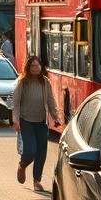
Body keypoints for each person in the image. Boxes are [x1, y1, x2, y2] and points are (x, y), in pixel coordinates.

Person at [12, 55, 60, 192]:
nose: (35, 68)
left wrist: (55, 118)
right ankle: (22, 165)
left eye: (37, 65)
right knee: (30, 151)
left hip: (41, 122)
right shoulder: (22, 82)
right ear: (28, 67)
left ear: (41, 67)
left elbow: (51, 101)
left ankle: (36, 181)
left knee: (41, 153)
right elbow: (15, 103)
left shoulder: (45, 82)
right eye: (32, 65)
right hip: (26, 121)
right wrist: (16, 121)